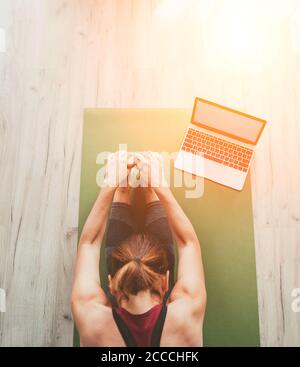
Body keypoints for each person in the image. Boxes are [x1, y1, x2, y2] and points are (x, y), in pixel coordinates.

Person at [71, 151, 206, 347]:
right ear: (166, 281)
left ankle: (131, 190)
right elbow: (188, 243)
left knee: (125, 193)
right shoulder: (186, 313)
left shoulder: (93, 320)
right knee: (135, 194)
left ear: (111, 283)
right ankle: (143, 189)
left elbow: (188, 244)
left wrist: (159, 185)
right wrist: (110, 184)